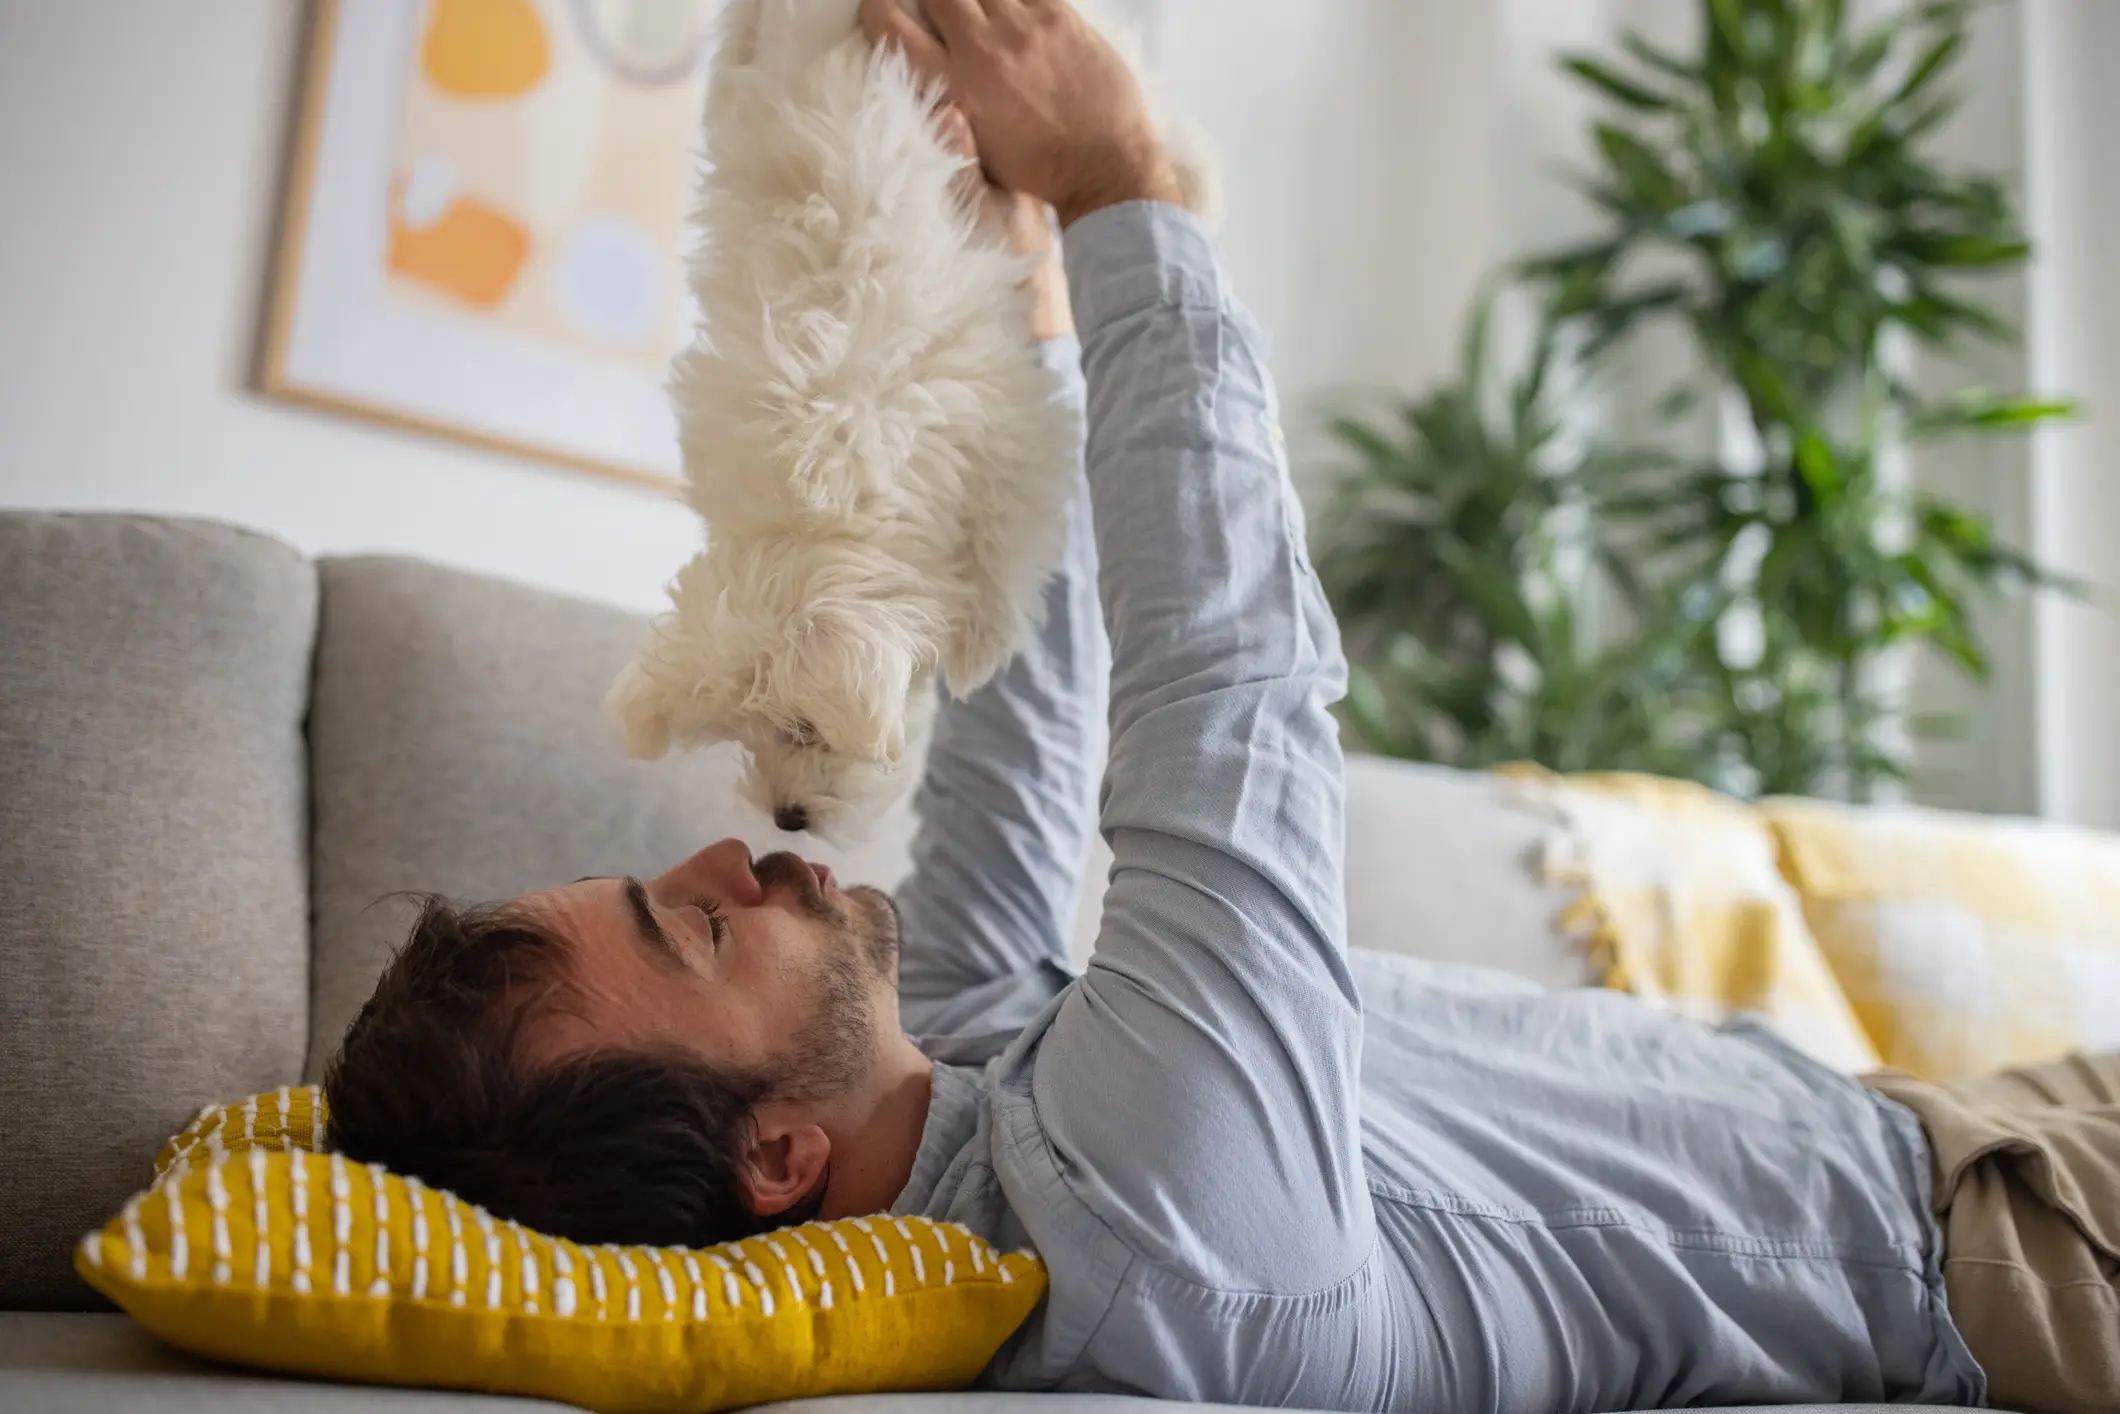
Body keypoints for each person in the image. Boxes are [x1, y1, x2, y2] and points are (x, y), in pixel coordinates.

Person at [323, 4, 2120, 1412]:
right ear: (779, 1158)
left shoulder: (945, 1106)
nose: (754, 862)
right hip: (2015, 1250)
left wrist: (1013, 292)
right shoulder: (1142, 1233)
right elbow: (1230, 714)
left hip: (1961, 1111)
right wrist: (1129, 200)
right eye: (704, 928)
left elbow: (1029, 711)